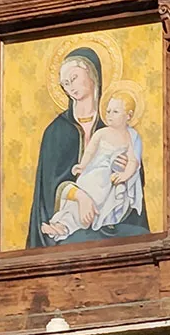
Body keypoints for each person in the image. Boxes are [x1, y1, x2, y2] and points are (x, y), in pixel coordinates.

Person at [27, 50, 150, 247]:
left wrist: (126, 169)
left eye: (74, 78)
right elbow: (49, 187)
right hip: (72, 218)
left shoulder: (118, 128)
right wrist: (81, 197)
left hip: (112, 215)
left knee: (136, 236)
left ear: (92, 74)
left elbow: (136, 178)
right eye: (65, 83)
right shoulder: (55, 131)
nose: (70, 87)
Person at [41, 95, 143, 240]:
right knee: (78, 202)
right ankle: (62, 225)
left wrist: (124, 176)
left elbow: (134, 162)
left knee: (96, 204)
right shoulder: (100, 133)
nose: (109, 115)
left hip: (109, 182)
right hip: (93, 175)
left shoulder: (131, 137)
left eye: (115, 112)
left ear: (129, 115)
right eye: (108, 111)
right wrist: (82, 166)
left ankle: (66, 226)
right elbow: (89, 151)